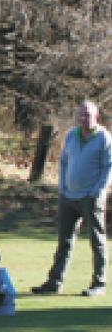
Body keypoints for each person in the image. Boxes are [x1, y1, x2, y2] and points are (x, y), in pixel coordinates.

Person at [32, 100, 112, 297]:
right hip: (68, 196)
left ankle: (99, 283)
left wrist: (97, 191)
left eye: (88, 115)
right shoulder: (71, 135)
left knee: (97, 241)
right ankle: (54, 282)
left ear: (96, 117)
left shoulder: (104, 138)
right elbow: (64, 162)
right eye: (81, 115)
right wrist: (63, 187)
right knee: (64, 241)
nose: (84, 119)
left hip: (91, 198)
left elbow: (108, 167)